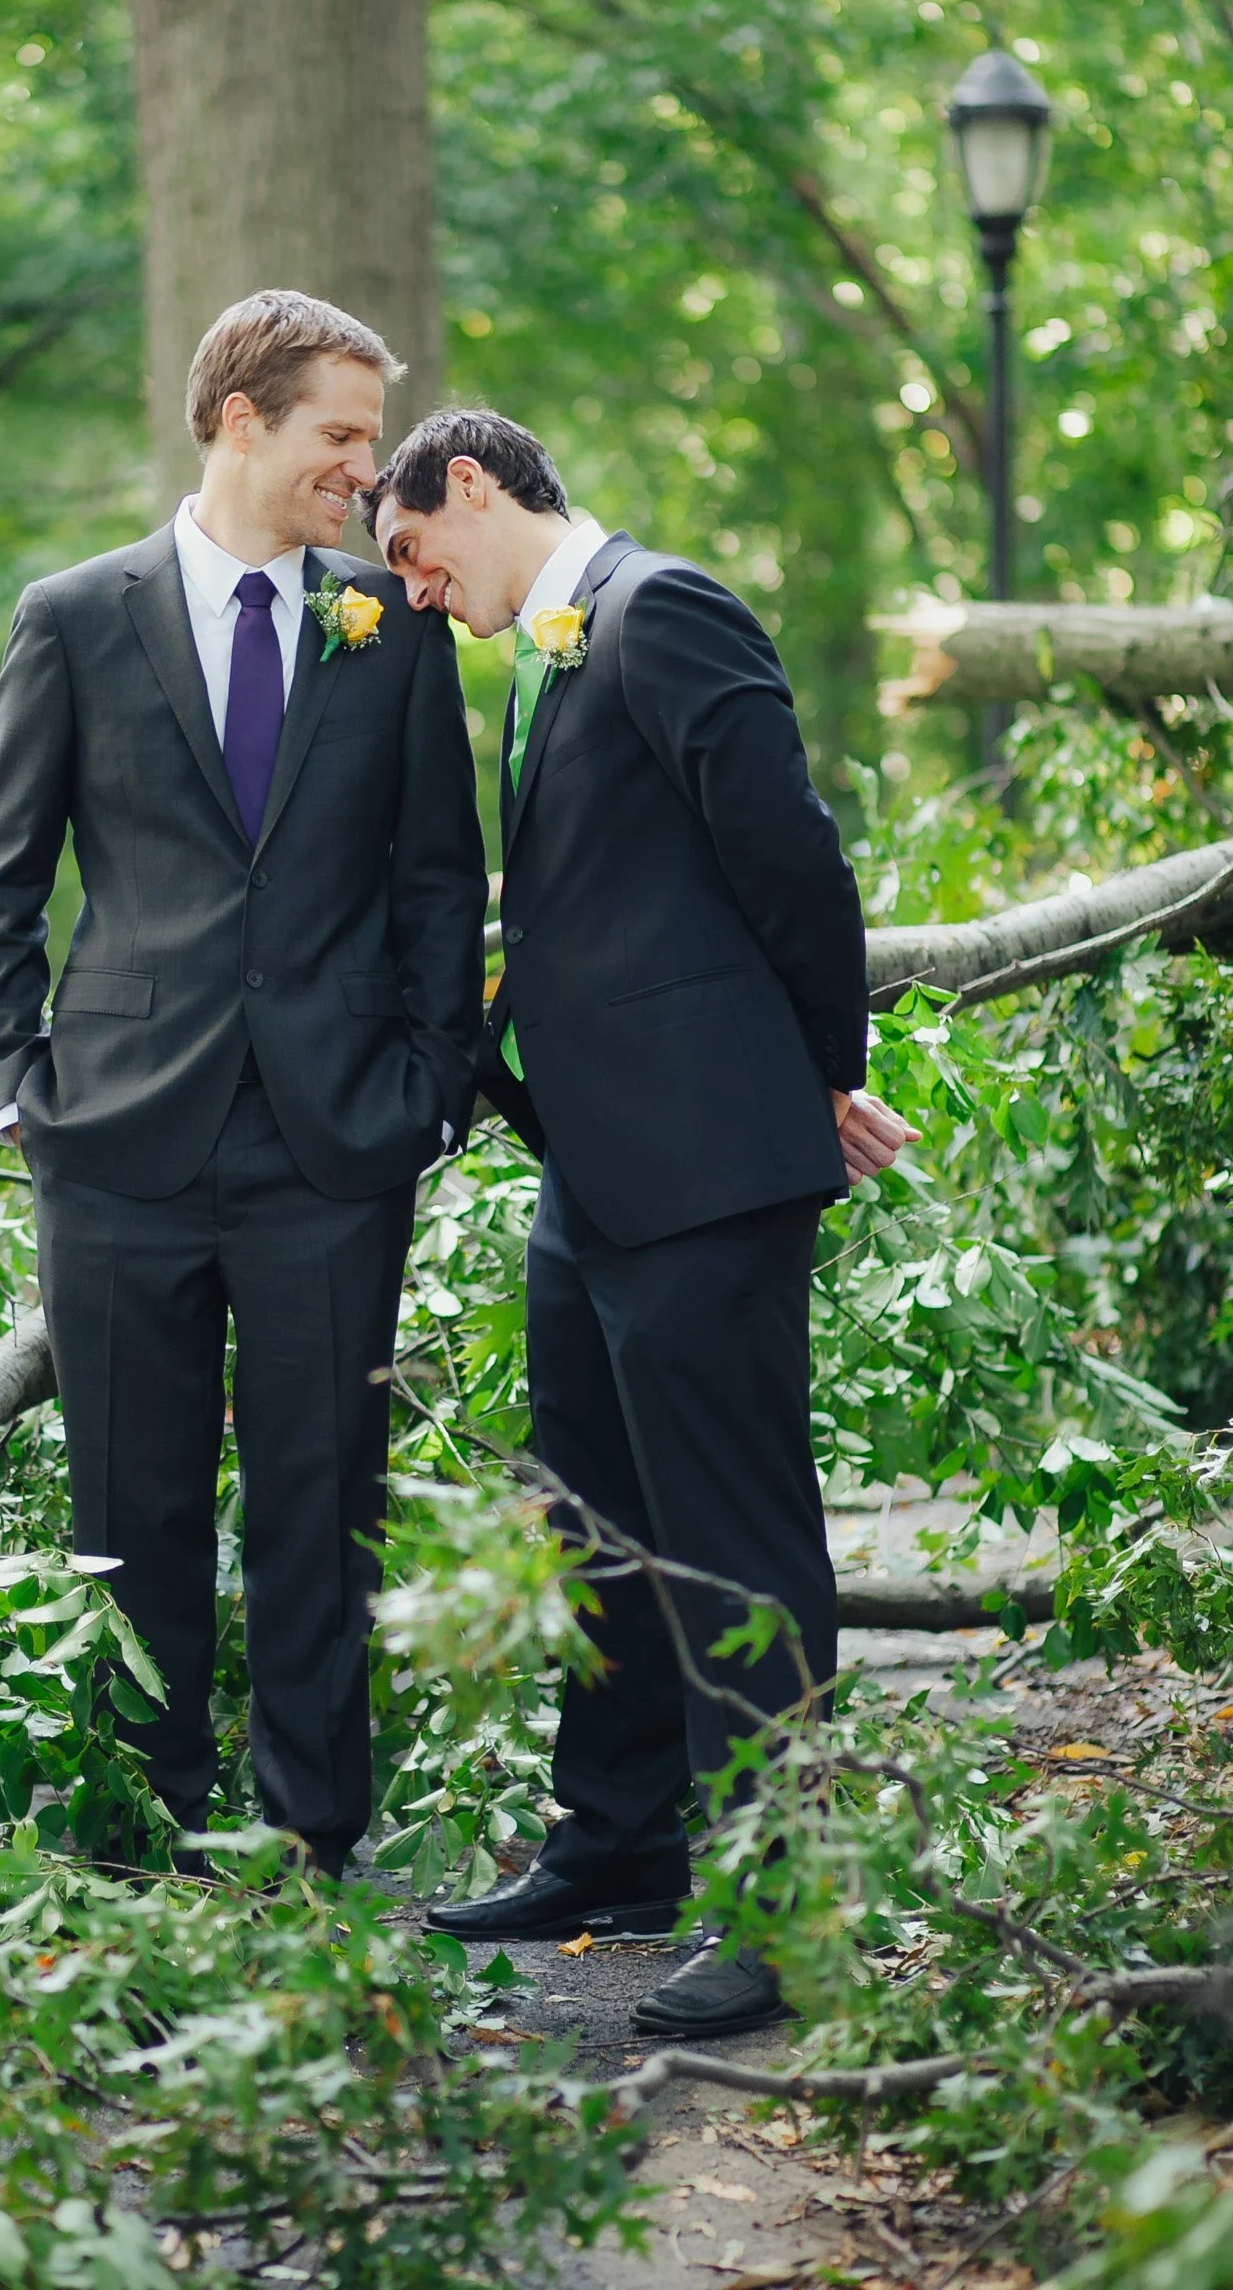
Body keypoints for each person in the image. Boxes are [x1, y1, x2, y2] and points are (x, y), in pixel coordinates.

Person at [366, 409, 913, 2034]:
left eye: (410, 550)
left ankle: (778, 1911)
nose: (407, 589)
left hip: (707, 1158)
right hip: (592, 1165)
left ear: (469, 487)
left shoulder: (660, 609)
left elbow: (788, 853)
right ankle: (617, 1848)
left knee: (727, 1536)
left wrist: (821, 1071)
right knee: (587, 1518)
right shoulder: (545, 651)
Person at [0, 292, 487, 1878]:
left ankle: (317, 1837)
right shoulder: (73, 613)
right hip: (116, 1140)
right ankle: (141, 1828)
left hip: (336, 1143)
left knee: (324, 1504)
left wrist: (431, 1088)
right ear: (239, 419)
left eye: (368, 436)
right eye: (339, 432)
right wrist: (14, 1087)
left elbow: (438, 883)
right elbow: (2, 875)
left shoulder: (384, 629)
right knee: (128, 1510)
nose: (363, 466)